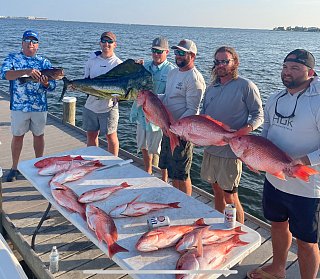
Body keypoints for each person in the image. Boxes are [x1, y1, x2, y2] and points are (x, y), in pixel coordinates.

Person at [247, 49, 320, 279]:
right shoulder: (274, 98)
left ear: (310, 72)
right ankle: (278, 268)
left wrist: (303, 161)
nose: (287, 72)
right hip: (274, 180)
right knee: (277, 225)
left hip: (307, 187)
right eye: (285, 67)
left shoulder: (317, 101)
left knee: (307, 241)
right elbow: (267, 133)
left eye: (295, 68)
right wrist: (254, 156)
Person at [200, 46, 264, 224]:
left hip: (232, 152)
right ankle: (221, 225)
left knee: (231, 197)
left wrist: (244, 130)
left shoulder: (246, 86)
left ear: (235, 62)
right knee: (216, 190)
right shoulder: (211, 87)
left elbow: (259, 115)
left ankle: (240, 232)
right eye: (217, 61)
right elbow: (204, 115)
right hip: (211, 149)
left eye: (225, 61)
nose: (220, 65)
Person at [0, 30, 56, 182]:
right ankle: (14, 167)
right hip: (19, 107)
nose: (31, 43)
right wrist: (25, 71)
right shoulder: (13, 58)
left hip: (39, 107)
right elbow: (4, 75)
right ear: (22, 43)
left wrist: (45, 83)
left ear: (38, 45)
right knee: (17, 136)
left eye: (34, 41)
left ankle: (40, 165)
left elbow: (52, 86)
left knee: (39, 136)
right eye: (28, 40)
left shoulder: (44, 63)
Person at [158, 39, 206, 195]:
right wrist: (150, 97)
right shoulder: (173, 73)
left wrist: (175, 129)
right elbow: (167, 97)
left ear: (192, 56)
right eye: (176, 52)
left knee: (182, 174)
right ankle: (175, 198)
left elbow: (193, 110)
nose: (177, 56)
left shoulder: (195, 79)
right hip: (168, 128)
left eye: (181, 53)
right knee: (170, 171)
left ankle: (186, 203)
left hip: (182, 134)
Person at [130, 36, 175, 175]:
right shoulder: (144, 66)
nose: (156, 54)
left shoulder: (172, 71)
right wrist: (134, 67)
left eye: (159, 51)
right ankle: (148, 171)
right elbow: (132, 84)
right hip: (141, 114)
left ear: (167, 52)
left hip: (157, 118)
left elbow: (171, 97)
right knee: (143, 145)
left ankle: (164, 178)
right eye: (154, 50)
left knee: (159, 150)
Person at [82, 31, 122, 156]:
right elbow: (85, 81)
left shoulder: (118, 64)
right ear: (100, 43)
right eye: (104, 41)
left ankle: (113, 164)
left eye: (110, 41)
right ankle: (93, 161)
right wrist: (76, 86)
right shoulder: (91, 61)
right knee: (91, 135)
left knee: (111, 137)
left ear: (115, 44)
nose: (106, 44)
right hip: (91, 106)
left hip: (109, 107)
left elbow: (121, 88)